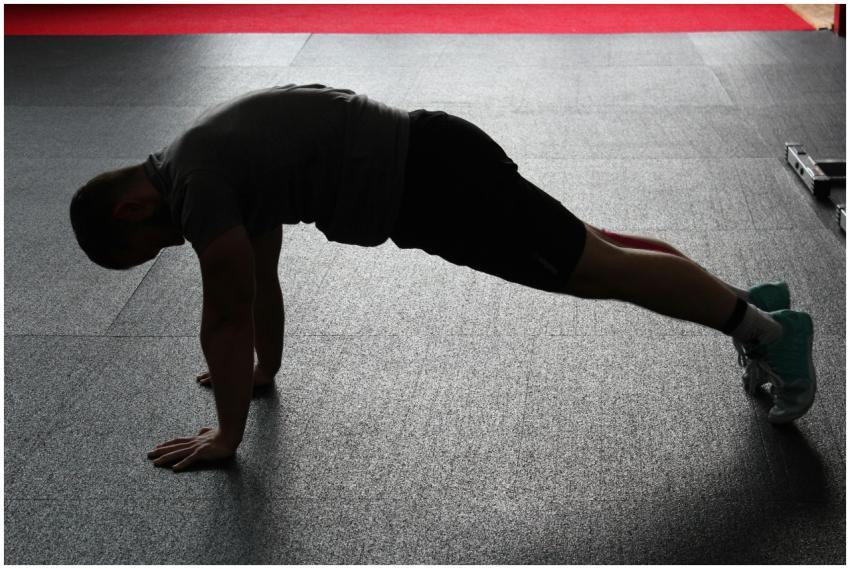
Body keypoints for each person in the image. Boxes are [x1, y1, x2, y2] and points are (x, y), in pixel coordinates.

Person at [69, 84, 816, 472]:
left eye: (153, 246)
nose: (174, 247)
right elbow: (260, 277)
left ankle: (769, 334)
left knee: (601, 269)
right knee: (598, 246)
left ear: (135, 206)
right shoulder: (206, 157)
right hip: (438, 154)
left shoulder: (197, 184)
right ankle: (749, 305)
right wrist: (264, 369)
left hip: (438, 192)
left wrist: (227, 435)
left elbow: (224, 311)